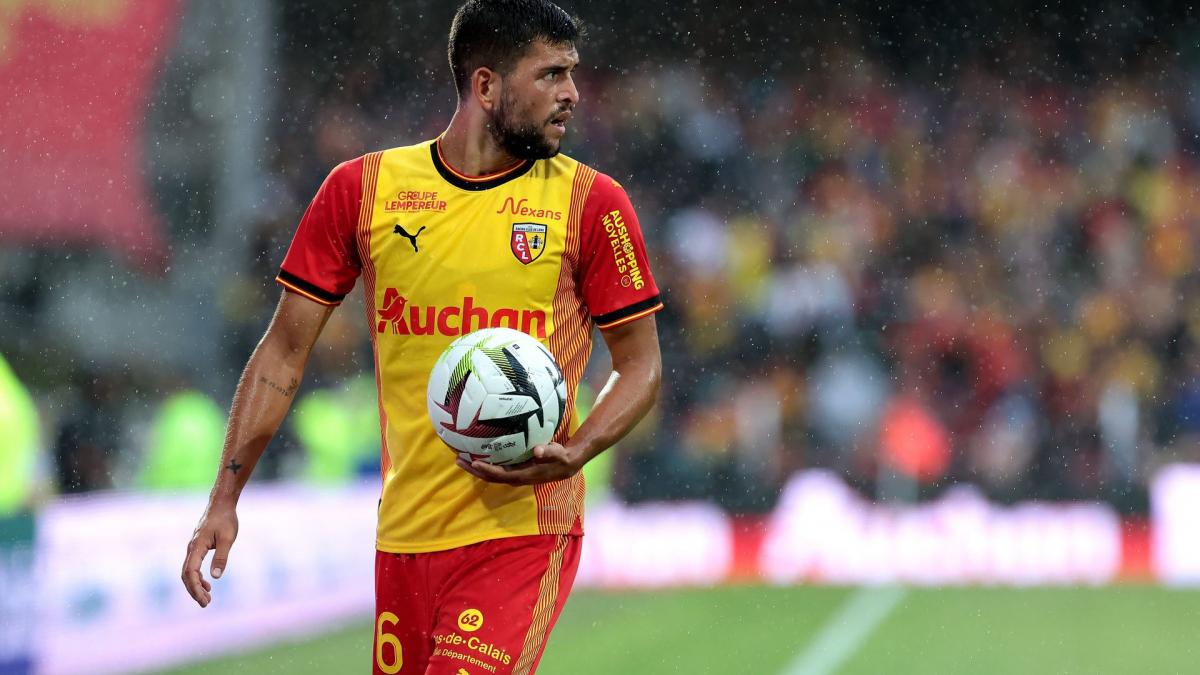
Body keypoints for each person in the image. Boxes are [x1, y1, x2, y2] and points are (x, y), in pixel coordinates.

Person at [181, 1, 663, 673]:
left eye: (572, 74)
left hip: (522, 532)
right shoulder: (362, 191)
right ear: (487, 85)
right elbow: (283, 352)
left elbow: (641, 364)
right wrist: (224, 499)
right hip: (405, 537)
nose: (572, 94)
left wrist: (577, 451)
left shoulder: (592, 202)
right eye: (552, 74)